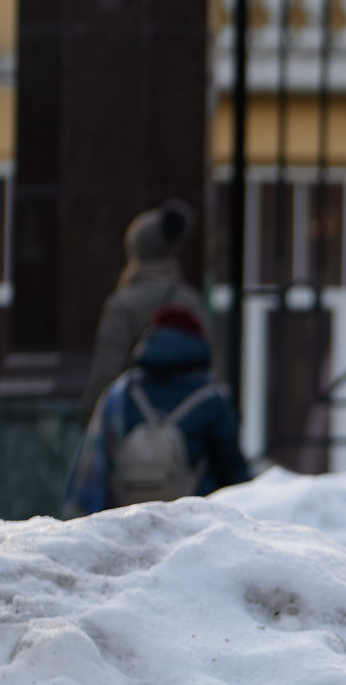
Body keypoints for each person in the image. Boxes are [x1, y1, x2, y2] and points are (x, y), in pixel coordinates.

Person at [64, 304, 252, 515]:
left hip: (129, 517)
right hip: (195, 520)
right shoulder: (212, 398)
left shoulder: (123, 391)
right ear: (197, 341)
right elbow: (233, 471)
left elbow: (100, 463)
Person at [80, 201, 211, 427]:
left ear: (135, 252)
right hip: (189, 430)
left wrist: (89, 418)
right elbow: (210, 368)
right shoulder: (192, 301)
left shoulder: (122, 304)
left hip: (137, 430)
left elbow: (106, 374)